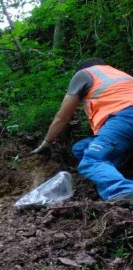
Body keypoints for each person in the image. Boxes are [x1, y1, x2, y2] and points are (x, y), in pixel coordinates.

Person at [33, 58, 133, 203]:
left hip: (124, 116)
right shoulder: (120, 74)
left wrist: (46, 142)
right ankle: (118, 171)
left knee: (91, 160)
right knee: (80, 148)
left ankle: (123, 191)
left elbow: (62, 117)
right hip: (126, 122)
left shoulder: (84, 74)